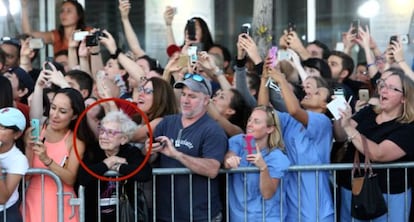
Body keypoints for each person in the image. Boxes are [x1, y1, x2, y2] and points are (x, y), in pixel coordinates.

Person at [335, 67, 414, 222]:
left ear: (404, 98)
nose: (383, 90)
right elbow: (340, 136)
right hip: (353, 189)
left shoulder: (409, 127)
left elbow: (379, 153)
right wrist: (340, 115)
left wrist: (349, 128)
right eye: (383, 85)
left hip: (388, 195)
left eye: (392, 88)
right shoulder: (369, 111)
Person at [258, 63, 335, 221]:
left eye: (317, 92)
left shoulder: (323, 122)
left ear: (325, 105)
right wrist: (264, 79)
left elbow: (294, 109)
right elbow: (263, 111)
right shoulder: (291, 122)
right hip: (292, 204)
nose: (310, 92)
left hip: (316, 208)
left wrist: (281, 80)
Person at [147, 73, 227, 221]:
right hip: (165, 213)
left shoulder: (213, 130)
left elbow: (212, 169)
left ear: (206, 100)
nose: (185, 100)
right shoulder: (167, 122)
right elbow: (152, 159)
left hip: (200, 216)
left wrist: (177, 154)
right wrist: (150, 152)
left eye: (192, 96)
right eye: (183, 94)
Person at [23, 71, 93, 221]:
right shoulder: (35, 131)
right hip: (33, 202)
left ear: (74, 115)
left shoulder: (75, 140)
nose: (54, 115)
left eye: (62, 111)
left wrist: (46, 159)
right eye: (53, 108)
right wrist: (28, 148)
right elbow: (27, 174)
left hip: (63, 204)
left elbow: (70, 178)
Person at [78, 110, 152, 222]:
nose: (103, 136)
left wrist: (119, 168)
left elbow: (145, 174)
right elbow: (82, 177)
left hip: (124, 215)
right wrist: (108, 163)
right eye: (102, 131)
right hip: (94, 216)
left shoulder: (130, 152)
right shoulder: (92, 151)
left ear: (124, 139)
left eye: (110, 133)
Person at [224, 105, 290, 221]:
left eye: (256, 121)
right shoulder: (239, 140)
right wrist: (229, 160)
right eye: (250, 120)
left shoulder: (277, 157)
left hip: (267, 217)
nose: (250, 124)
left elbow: (268, 194)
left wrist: (263, 168)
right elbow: (230, 155)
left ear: (269, 129)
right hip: (239, 217)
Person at [21, 0, 89, 54]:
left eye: (69, 11)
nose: (64, 14)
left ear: (79, 15)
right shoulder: (56, 35)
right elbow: (27, 34)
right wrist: (24, 7)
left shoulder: (87, 32)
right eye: (62, 11)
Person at [0, 107, 29, 222]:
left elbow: (2, 198)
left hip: (5, 215)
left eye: (3, 127)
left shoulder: (18, 160)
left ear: (17, 134)